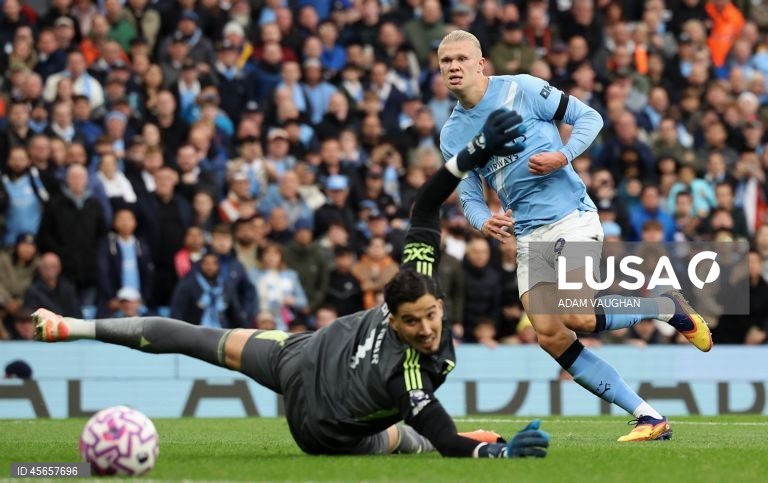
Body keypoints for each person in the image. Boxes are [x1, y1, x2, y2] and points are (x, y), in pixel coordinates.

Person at [33, 109, 551, 459]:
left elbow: (424, 205)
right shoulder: (410, 368)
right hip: (315, 403)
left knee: (198, 340)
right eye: (411, 322)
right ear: (392, 318)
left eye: (430, 316)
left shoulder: (417, 286)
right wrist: (496, 452)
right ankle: (69, 326)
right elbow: (447, 443)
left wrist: (473, 152)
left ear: (438, 298)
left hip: (307, 369)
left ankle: (71, 327)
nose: (426, 328)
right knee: (407, 440)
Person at [438, 30, 713, 442]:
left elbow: (590, 118)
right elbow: (469, 192)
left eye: (461, 58)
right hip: (529, 236)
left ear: (481, 64)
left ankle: (663, 306)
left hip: (571, 216)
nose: (454, 67)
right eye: (446, 61)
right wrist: (483, 221)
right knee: (551, 335)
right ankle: (649, 417)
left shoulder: (521, 89)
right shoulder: (452, 134)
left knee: (577, 313)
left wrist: (562, 156)